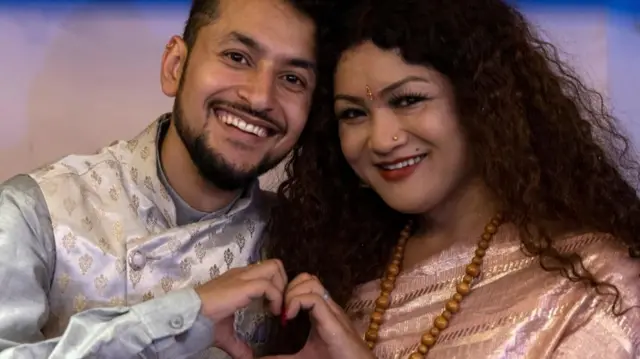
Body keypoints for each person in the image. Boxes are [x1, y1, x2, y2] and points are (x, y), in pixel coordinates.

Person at [263, 0, 640, 358]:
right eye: (352, 114)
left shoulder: (597, 283)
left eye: (408, 100)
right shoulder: (338, 268)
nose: (380, 139)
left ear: (481, 103)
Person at [0, 0, 334, 357]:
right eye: (237, 57)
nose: (259, 97)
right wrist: (188, 313)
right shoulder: (34, 211)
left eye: (292, 79)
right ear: (175, 66)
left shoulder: (303, 241)